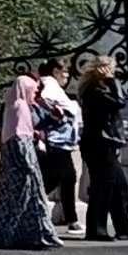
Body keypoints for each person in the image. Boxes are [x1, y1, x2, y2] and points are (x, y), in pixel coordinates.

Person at [0, 70, 61, 249]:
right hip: (22, 165)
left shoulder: (14, 105)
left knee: (13, 203)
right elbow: (20, 137)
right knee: (29, 202)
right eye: (34, 90)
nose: (36, 93)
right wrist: (28, 164)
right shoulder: (20, 107)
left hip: (12, 165)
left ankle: (13, 237)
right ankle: (38, 236)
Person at [78, 56, 128, 241]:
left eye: (111, 68)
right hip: (99, 143)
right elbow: (119, 102)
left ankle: (123, 227)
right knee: (102, 187)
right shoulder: (94, 90)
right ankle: (96, 229)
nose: (110, 72)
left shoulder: (102, 88)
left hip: (107, 142)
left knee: (119, 186)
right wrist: (113, 82)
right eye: (107, 68)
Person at [35, 58, 83, 238]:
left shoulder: (50, 86)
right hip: (55, 141)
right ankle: (71, 219)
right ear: (55, 71)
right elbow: (45, 104)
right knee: (63, 177)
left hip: (58, 141)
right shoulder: (50, 86)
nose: (67, 76)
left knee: (61, 178)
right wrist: (60, 115)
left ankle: (71, 219)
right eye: (65, 72)